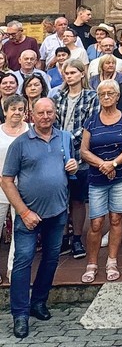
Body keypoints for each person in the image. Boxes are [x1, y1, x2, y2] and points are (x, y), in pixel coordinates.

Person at [2, 98, 78, 338]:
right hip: (28, 216)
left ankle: (38, 303)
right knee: (23, 261)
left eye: (50, 112)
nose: (46, 116)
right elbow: (6, 180)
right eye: (40, 112)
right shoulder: (20, 144)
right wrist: (24, 212)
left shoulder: (64, 138)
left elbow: (69, 168)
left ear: (55, 113)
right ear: (30, 115)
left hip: (57, 213)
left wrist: (73, 167)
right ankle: (20, 315)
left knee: (51, 259)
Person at [79, 80, 122, 283]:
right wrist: (102, 164)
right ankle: (92, 263)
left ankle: (112, 261)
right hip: (96, 178)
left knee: (116, 219)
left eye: (110, 93)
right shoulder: (91, 121)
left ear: (117, 96)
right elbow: (84, 150)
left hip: (119, 177)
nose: (105, 97)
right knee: (96, 222)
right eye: (102, 94)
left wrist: (113, 164)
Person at [53, 59, 100, 259]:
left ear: (82, 74)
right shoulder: (58, 97)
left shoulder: (91, 96)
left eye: (73, 72)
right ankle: (63, 237)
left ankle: (77, 238)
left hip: (80, 154)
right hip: (57, 154)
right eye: (66, 73)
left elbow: (90, 123)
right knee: (61, 199)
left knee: (78, 199)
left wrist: (68, 138)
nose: (69, 76)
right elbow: (53, 122)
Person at [0, 95, 29, 284]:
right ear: (5, 111)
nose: (16, 112)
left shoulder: (31, 132)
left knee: (20, 233)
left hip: (24, 189)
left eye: (20, 109)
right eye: (13, 109)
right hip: (1, 187)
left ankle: (13, 270)